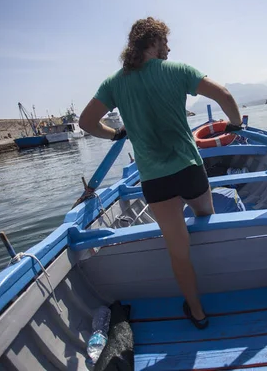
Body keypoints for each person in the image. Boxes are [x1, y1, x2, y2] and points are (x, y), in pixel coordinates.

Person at [79, 17, 242, 329]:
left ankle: (197, 312)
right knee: (206, 218)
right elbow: (225, 95)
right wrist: (235, 124)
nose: (169, 47)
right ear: (152, 41)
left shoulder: (114, 83)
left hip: (154, 179)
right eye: (165, 41)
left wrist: (115, 134)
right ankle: (224, 280)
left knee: (178, 250)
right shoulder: (178, 70)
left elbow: (86, 123)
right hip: (189, 169)